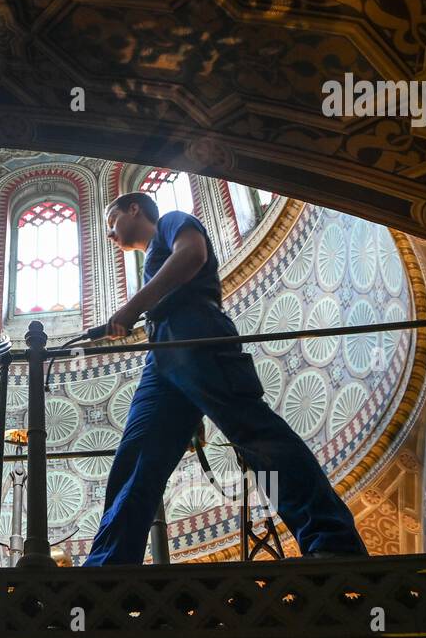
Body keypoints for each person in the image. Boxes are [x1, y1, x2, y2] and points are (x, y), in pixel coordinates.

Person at [83, 191, 368, 566]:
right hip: (163, 355)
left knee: (255, 435)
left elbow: (192, 255)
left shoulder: (171, 221)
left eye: (111, 221)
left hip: (195, 328)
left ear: (135, 209)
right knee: (137, 457)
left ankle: (332, 541)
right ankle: (110, 565)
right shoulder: (153, 256)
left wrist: (132, 308)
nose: (110, 233)